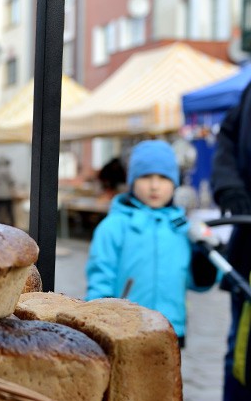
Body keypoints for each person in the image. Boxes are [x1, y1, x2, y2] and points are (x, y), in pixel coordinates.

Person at [86, 140, 216, 347]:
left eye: (164, 178)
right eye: (146, 177)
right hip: (124, 328)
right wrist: (96, 322)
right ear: (132, 181)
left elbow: (197, 282)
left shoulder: (182, 228)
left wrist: (206, 256)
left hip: (170, 327)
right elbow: (101, 276)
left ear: (175, 183)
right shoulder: (114, 226)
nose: (155, 186)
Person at [211, 80, 251, 401]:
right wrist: (230, 188)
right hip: (250, 239)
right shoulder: (249, 94)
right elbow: (226, 144)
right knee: (243, 348)